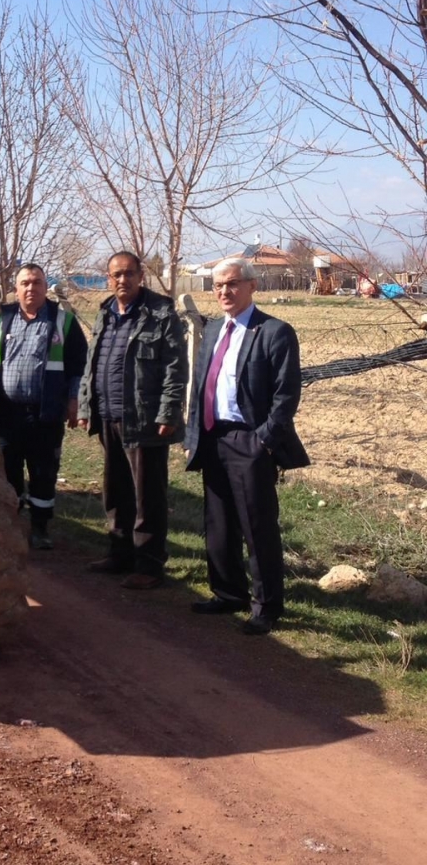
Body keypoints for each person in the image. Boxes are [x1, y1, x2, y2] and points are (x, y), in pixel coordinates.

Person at [185, 257, 309, 635]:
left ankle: (266, 605)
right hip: (212, 437)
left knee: (258, 527)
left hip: (249, 441)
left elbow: (285, 395)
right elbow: (202, 385)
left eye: (233, 284)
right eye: (219, 285)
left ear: (252, 286)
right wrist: (193, 436)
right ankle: (228, 593)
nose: (224, 291)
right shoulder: (213, 330)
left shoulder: (274, 332)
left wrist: (263, 442)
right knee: (218, 523)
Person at [78, 251, 187, 589]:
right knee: (116, 490)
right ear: (108, 278)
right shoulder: (105, 314)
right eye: (116, 275)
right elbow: (91, 364)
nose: (122, 280)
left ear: (142, 275)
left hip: (145, 419)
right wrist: (86, 406)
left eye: (128, 274)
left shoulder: (160, 314)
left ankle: (149, 564)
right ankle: (119, 553)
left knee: (147, 496)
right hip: (109, 415)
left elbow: (175, 368)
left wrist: (168, 411)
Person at [0, 263, 88, 550]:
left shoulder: (64, 322)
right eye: (25, 283)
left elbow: (79, 367)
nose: (31, 288)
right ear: (16, 289)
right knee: (7, 470)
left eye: (37, 282)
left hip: (45, 413)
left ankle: (40, 527)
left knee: (43, 471)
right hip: (8, 413)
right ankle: (9, 523)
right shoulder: (2, 321)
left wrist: (74, 400)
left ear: (45, 286)